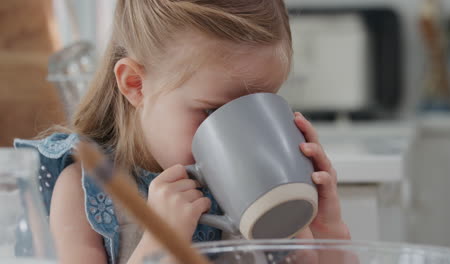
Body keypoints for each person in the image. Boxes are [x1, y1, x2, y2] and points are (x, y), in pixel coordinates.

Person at [14, 1, 350, 263]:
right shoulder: (85, 189)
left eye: (260, 106)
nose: (242, 133)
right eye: (212, 111)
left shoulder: (264, 188)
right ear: (135, 85)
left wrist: (326, 228)